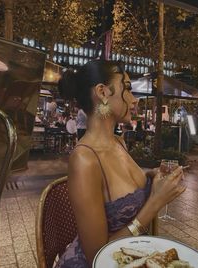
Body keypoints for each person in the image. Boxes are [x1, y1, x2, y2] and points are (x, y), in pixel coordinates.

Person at [55, 60, 185, 268]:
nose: (134, 100)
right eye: (127, 88)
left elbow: (124, 187)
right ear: (102, 92)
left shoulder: (119, 142)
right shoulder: (84, 160)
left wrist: (151, 176)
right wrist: (155, 203)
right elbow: (97, 257)